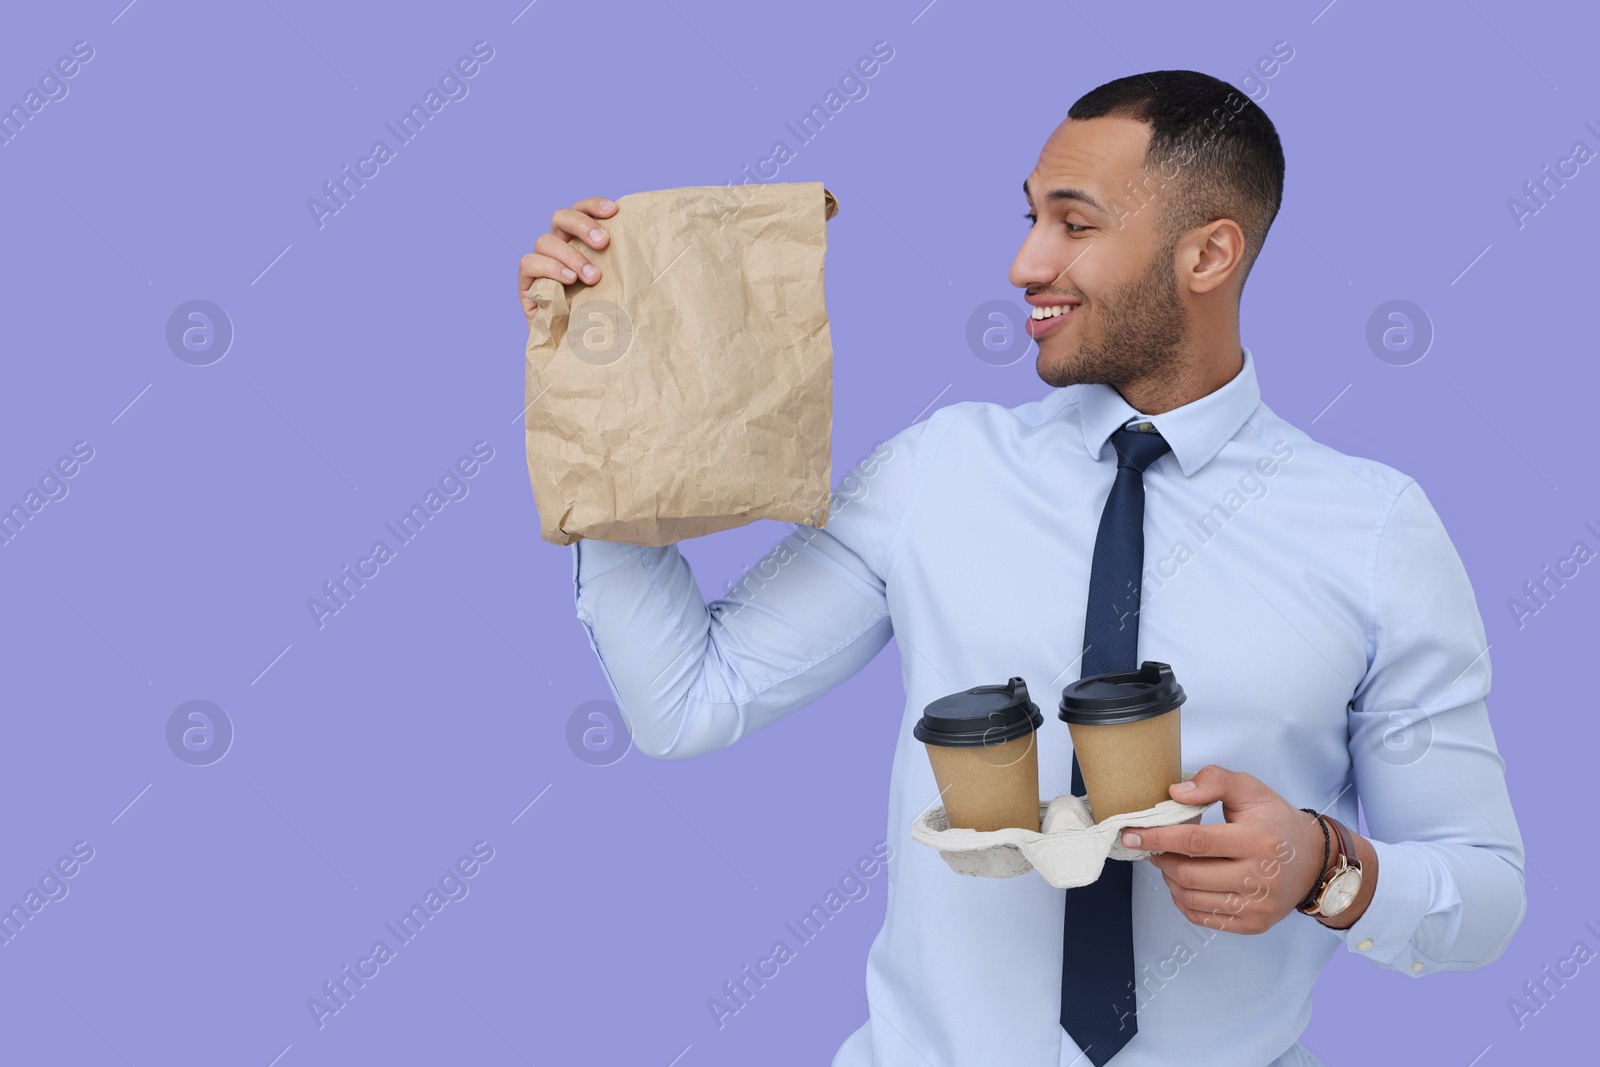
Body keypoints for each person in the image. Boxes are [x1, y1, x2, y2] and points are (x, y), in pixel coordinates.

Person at [517, 69, 1526, 1067]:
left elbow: (1482, 892)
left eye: (1072, 224)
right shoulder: (935, 471)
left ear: (1207, 252)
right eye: (1029, 218)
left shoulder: (1373, 527)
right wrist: (606, 396)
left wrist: (1326, 866)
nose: (1023, 262)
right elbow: (689, 698)